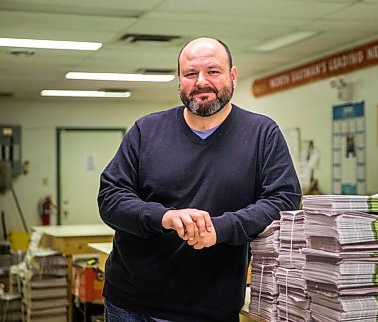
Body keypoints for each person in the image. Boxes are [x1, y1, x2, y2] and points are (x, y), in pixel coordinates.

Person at [98, 37, 301, 322]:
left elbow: (283, 201)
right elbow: (110, 198)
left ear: (233, 75)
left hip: (211, 306)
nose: (201, 82)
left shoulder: (262, 134)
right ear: (179, 80)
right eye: (191, 74)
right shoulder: (146, 130)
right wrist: (165, 217)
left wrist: (220, 228)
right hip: (131, 304)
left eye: (213, 71)